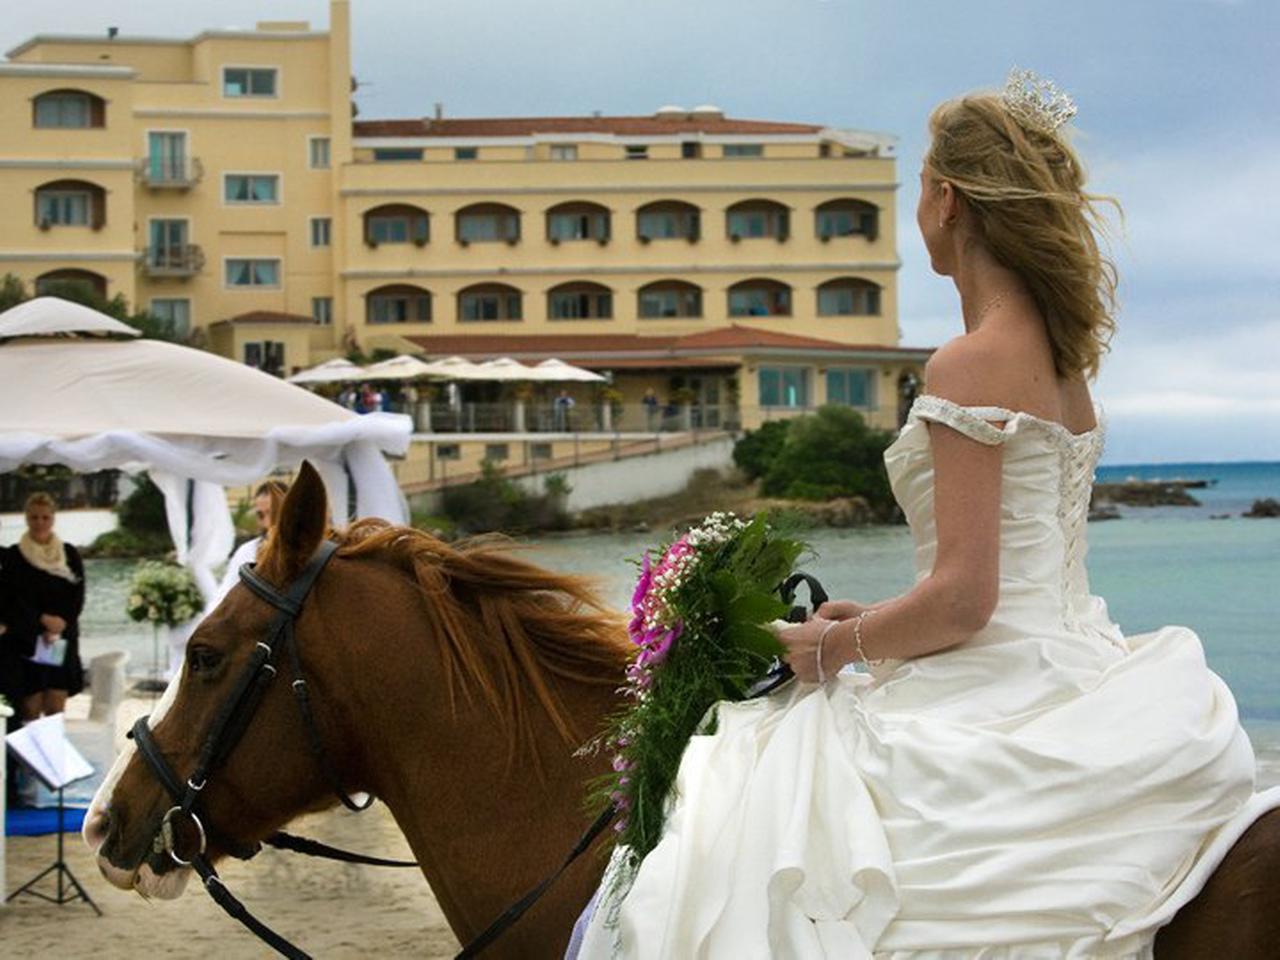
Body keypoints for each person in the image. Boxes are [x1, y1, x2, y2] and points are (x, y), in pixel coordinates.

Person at [573, 70, 1276, 958]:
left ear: (945, 201)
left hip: (992, 679)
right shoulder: (1068, 368)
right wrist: (867, 616)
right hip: (1076, 660)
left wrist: (821, 648)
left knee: (743, 808)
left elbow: (965, 602)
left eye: (917, 190)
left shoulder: (970, 363)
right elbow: (1010, 576)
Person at [2, 492, 86, 721]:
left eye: (45, 517)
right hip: (27, 639)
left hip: (61, 638)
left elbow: (78, 595)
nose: (40, 522)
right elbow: (11, 599)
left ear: (53, 518)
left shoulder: (69, 554)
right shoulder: (13, 556)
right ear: (27, 518)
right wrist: (41, 618)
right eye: (34, 517)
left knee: (56, 705)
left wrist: (61, 622)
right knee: (30, 705)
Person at [209, 480, 288, 610]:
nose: (267, 523)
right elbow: (224, 594)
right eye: (261, 515)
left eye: (272, 513)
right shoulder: (247, 551)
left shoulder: (312, 551)